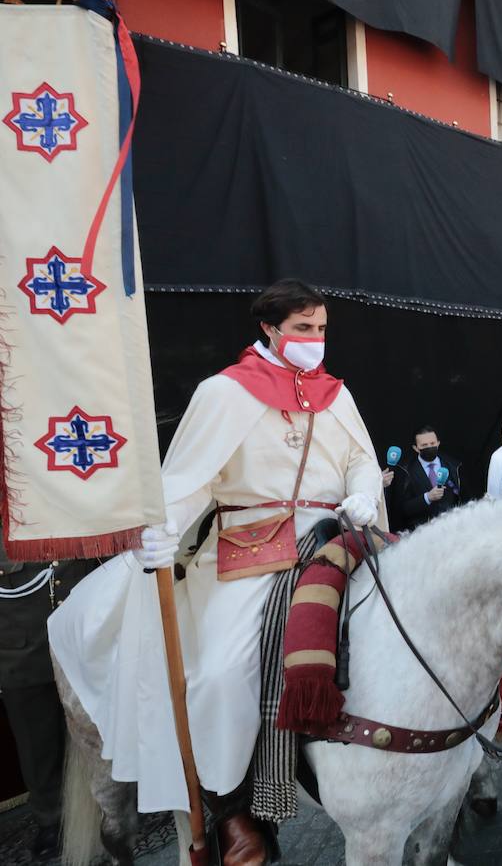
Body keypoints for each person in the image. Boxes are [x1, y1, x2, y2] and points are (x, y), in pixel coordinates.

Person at [48, 279, 383, 860]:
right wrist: (160, 531)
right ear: (270, 330)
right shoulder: (225, 393)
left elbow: (360, 457)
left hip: (339, 537)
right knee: (222, 674)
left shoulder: (335, 393)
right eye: (304, 328)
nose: (315, 339)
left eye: (322, 328)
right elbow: (187, 481)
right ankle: (232, 805)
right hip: (256, 549)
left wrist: (359, 492)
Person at [0, 554, 99, 860]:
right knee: (36, 738)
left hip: (81, 621)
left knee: (96, 722)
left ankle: (111, 804)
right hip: (20, 641)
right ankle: (51, 819)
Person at [391, 425, 460, 531]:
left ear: (438, 443)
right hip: (422, 531)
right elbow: (401, 509)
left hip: (452, 527)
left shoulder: (454, 466)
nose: (429, 447)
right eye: (424, 445)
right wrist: (427, 498)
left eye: (432, 443)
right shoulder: (406, 471)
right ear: (416, 448)